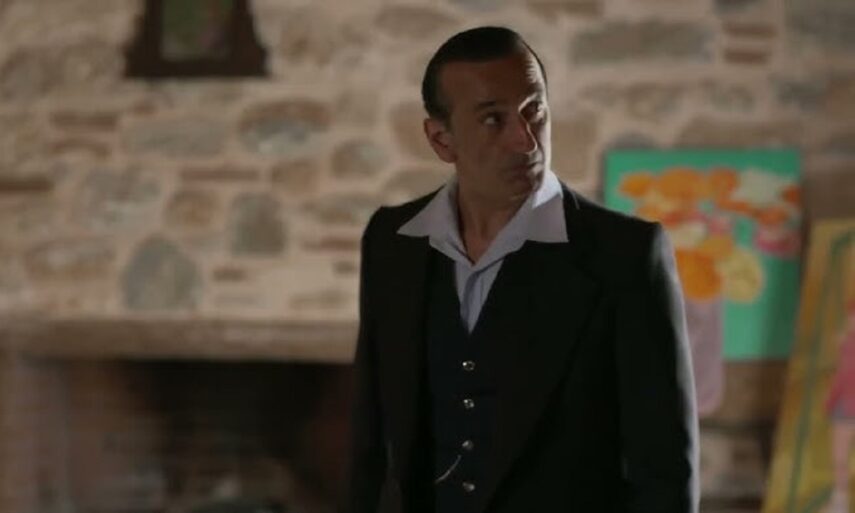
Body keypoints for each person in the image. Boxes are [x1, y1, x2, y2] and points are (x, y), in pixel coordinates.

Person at [347, 26, 699, 513]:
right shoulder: (392, 242)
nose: (525, 139)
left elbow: (664, 472)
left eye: (534, 111)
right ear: (441, 139)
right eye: (493, 119)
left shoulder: (625, 254)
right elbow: (369, 439)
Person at [824, 299, 855, 513]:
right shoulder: (846, 343)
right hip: (843, 407)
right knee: (839, 458)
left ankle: (840, 502)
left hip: (845, 408)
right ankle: (839, 501)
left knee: (840, 458)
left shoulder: (847, 344)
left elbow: (843, 377)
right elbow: (841, 376)